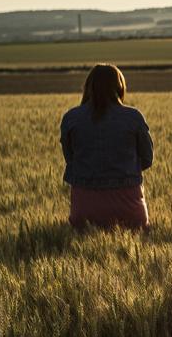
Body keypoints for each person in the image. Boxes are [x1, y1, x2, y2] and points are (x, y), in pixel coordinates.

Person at [60, 63, 154, 230]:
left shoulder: (71, 118)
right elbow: (147, 159)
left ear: (88, 87)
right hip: (130, 211)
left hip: (84, 211)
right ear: (120, 87)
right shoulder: (133, 117)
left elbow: (71, 160)